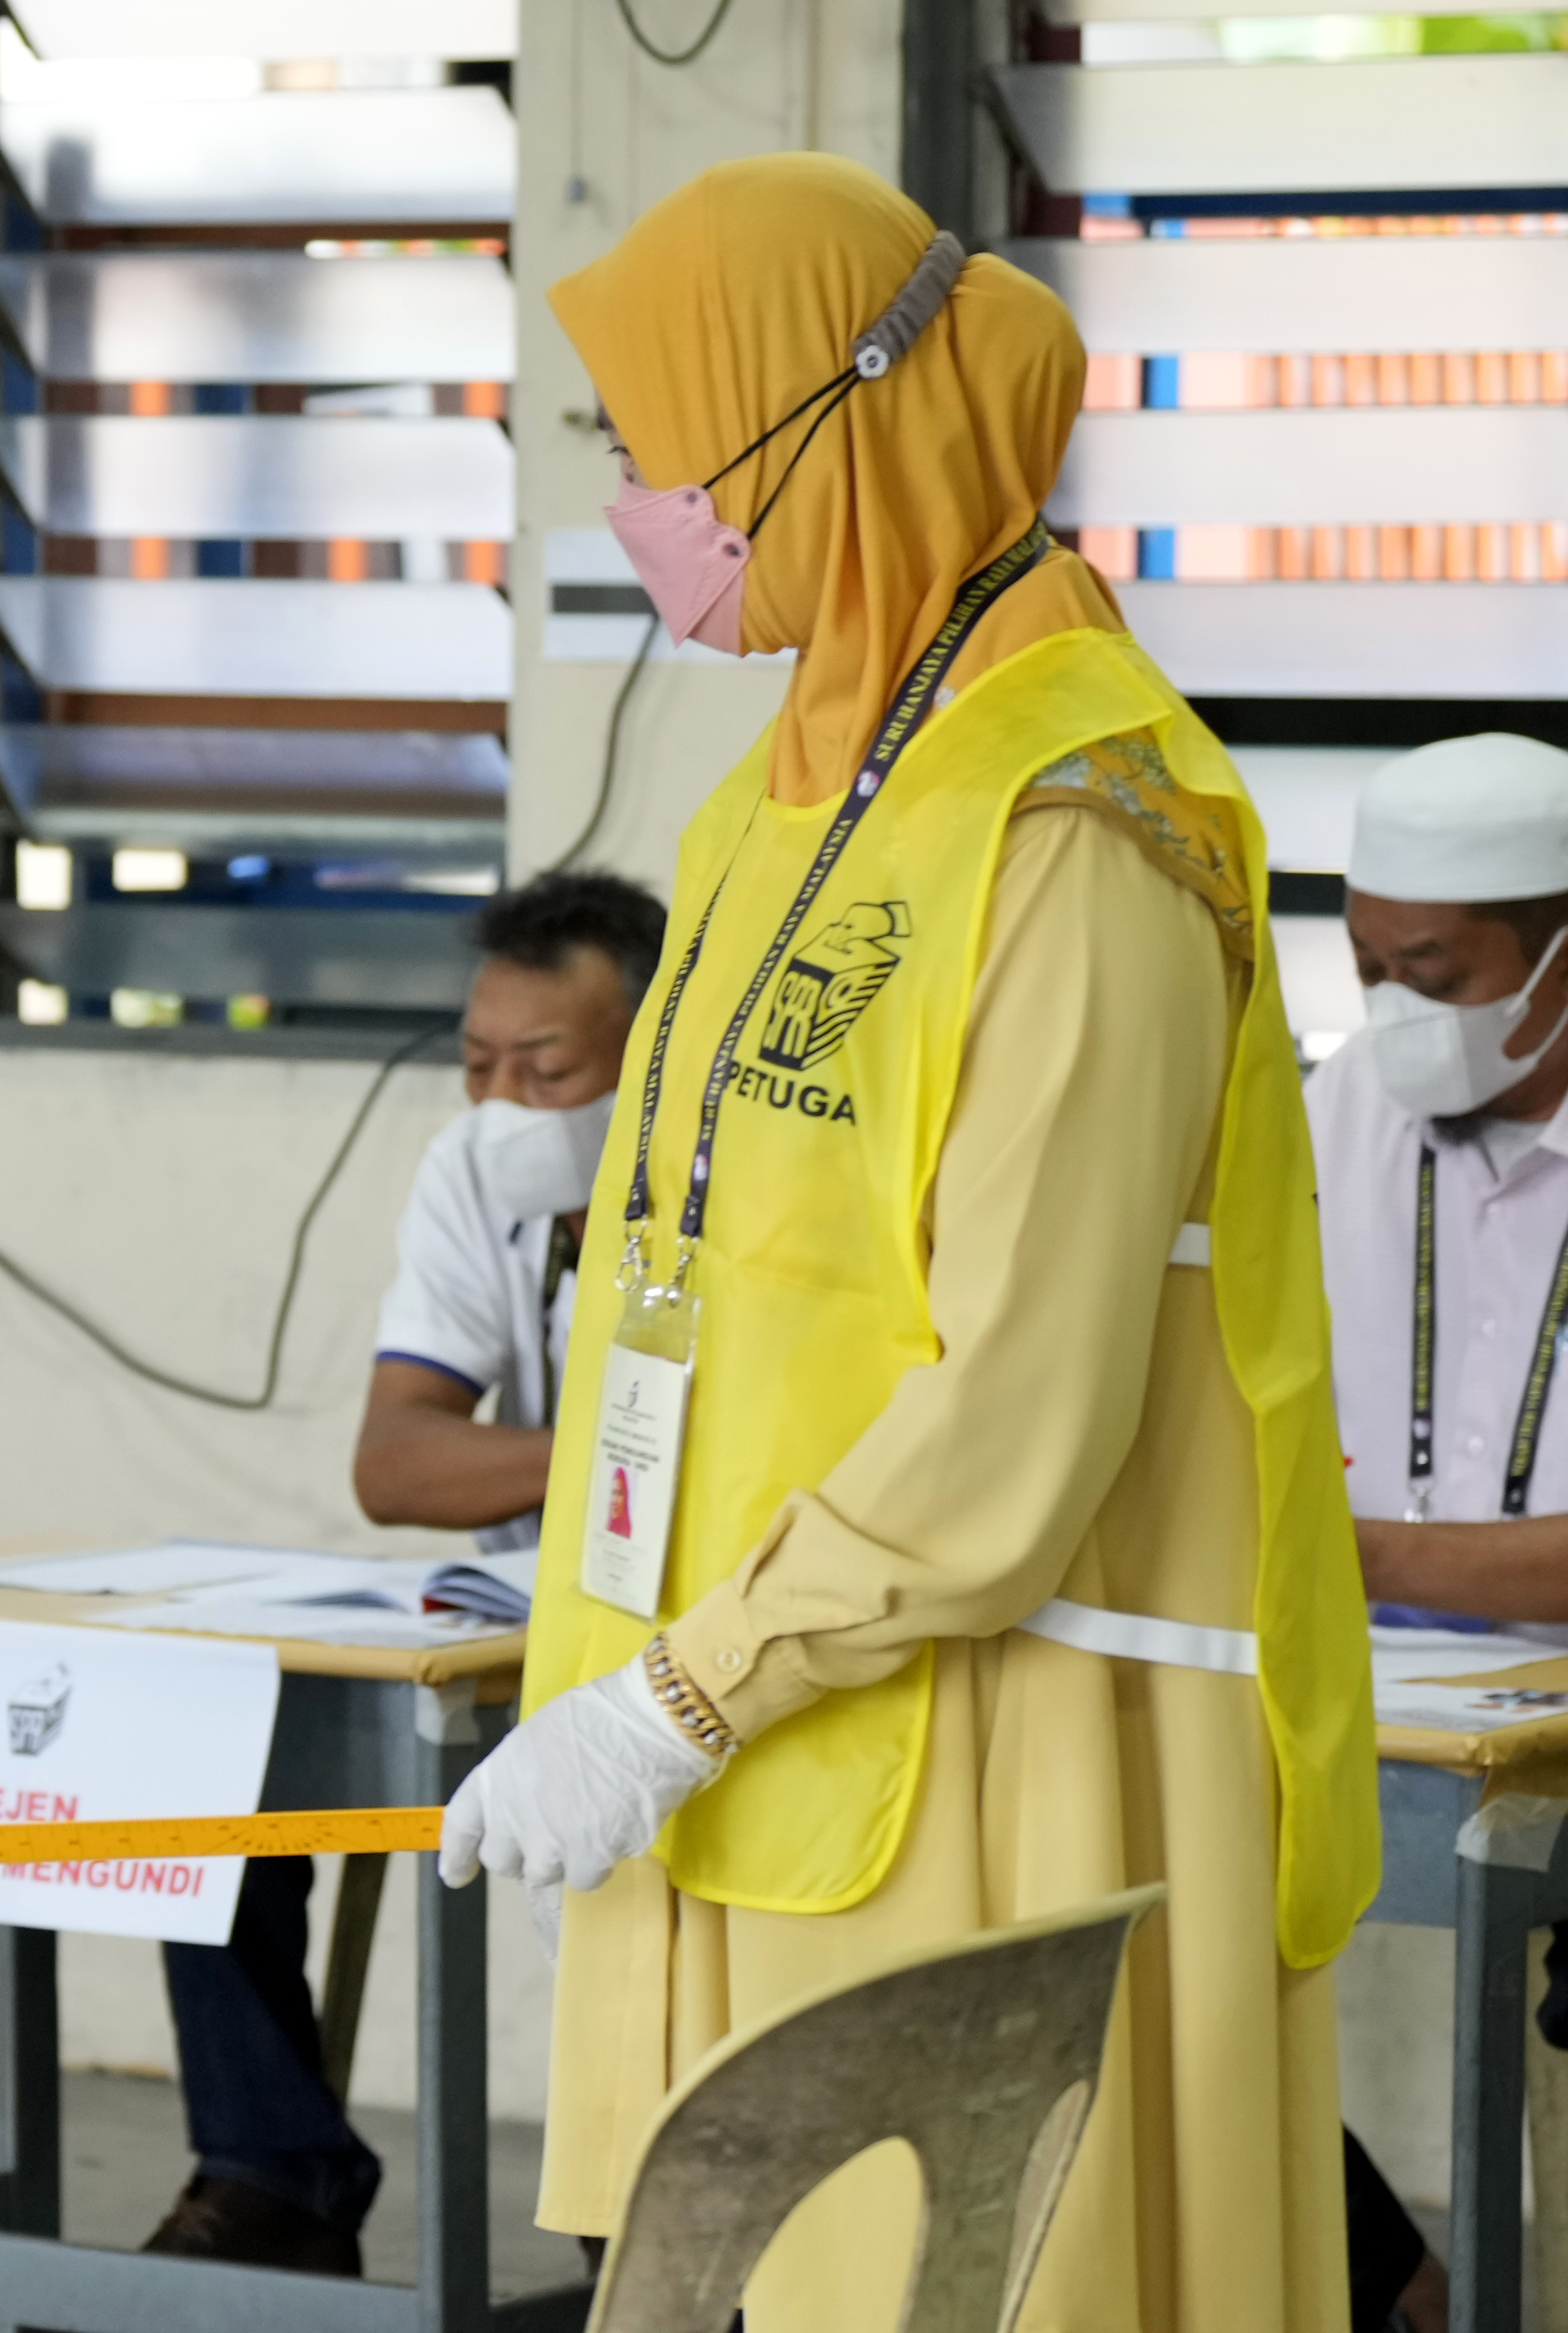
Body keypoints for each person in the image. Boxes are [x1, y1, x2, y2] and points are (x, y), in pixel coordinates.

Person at [437, 154, 1376, 2332]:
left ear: (820, 422)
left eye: (663, 442)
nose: (640, 497)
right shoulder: (778, 793)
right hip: (767, 1720)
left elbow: (1020, 1404)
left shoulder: (1078, 826)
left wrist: (678, 1692)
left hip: (1009, 1744)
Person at [146, 872, 666, 2276]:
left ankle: (658, 2227)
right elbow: (397, 1464)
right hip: (515, 1615)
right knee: (209, 1765)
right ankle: (276, 2172)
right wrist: (634, 1452)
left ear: (659, 1045)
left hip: (678, 1645)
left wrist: (567, 1466)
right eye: (477, 1063)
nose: (502, 1101)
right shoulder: (472, 1177)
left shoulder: (727, 1185)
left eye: (546, 1068)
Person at [1304, 732, 1568, 2333]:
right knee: (1104, 1899)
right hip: (1372, 1691)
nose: (1393, 1010)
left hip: (1541, 1712)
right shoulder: (1345, 1109)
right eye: (1362, 964)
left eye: (1429, 969)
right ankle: (1391, 2292)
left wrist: (1371, 1559)